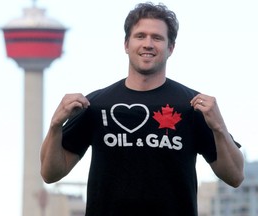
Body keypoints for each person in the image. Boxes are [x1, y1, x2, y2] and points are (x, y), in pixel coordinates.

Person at [40, 2, 244, 216]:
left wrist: (219, 127)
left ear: (170, 48)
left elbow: (236, 176)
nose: (148, 44)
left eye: (157, 38)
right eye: (140, 36)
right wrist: (55, 126)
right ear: (126, 44)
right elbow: (50, 173)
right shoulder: (96, 105)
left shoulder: (192, 106)